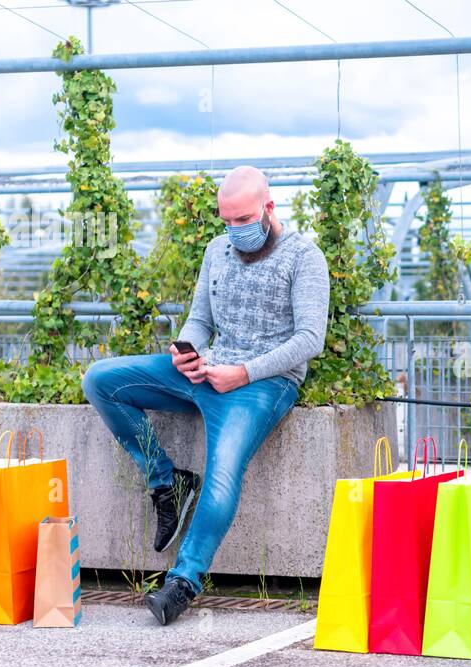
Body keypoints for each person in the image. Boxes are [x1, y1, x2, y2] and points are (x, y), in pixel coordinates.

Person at [81, 166, 329, 625]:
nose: (235, 231)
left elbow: (310, 338)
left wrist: (244, 372)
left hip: (262, 385)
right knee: (101, 380)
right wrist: (186, 351)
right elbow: (199, 319)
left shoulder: (304, 257)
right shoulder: (218, 250)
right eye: (227, 220)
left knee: (222, 474)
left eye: (244, 219)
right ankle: (165, 480)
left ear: (269, 208)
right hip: (207, 371)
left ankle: (183, 581)